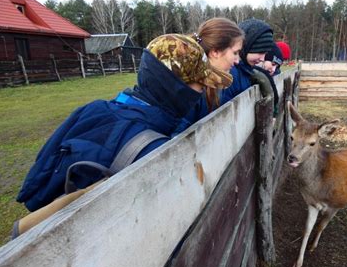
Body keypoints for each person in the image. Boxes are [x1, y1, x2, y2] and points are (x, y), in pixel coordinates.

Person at [17, 34, 231, 212]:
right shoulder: (153, 150)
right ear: (175, 87)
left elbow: (41, 168)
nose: (202, 92)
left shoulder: (94, 108)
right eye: (199, 85)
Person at [173, 17, 244, 134]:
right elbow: (178, 139)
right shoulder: (192, 88)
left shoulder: (213, 84)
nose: (237, 60)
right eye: (235, 53)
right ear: (215, 52)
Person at [220, 18, 278, 113]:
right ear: (246, 47)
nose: (263, 59)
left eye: (265, 54)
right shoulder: (231, 74)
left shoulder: (247, 71)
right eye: (260, 52)